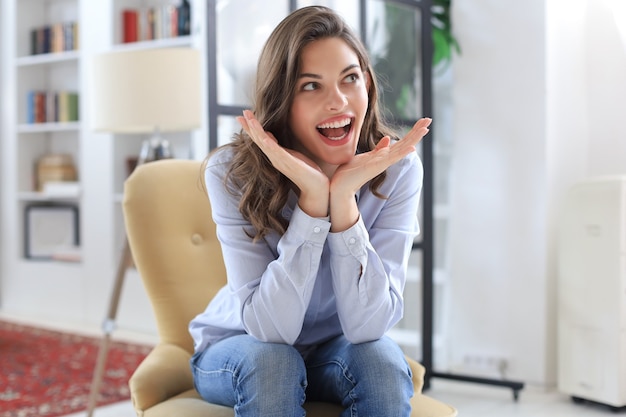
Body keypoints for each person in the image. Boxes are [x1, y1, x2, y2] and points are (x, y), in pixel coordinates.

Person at [189, 5, 431, 417]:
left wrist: (344, 207)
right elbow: (269, 330)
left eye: (349, 79)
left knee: (383, 365)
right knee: (273, 364)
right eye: (310, 86)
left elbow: (367, 328)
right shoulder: (231, 173)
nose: (338, 101)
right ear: (282, 99)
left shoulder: (397, 169)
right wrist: (313, 203)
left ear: (367, 85)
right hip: (240, 345)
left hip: (335, 348)